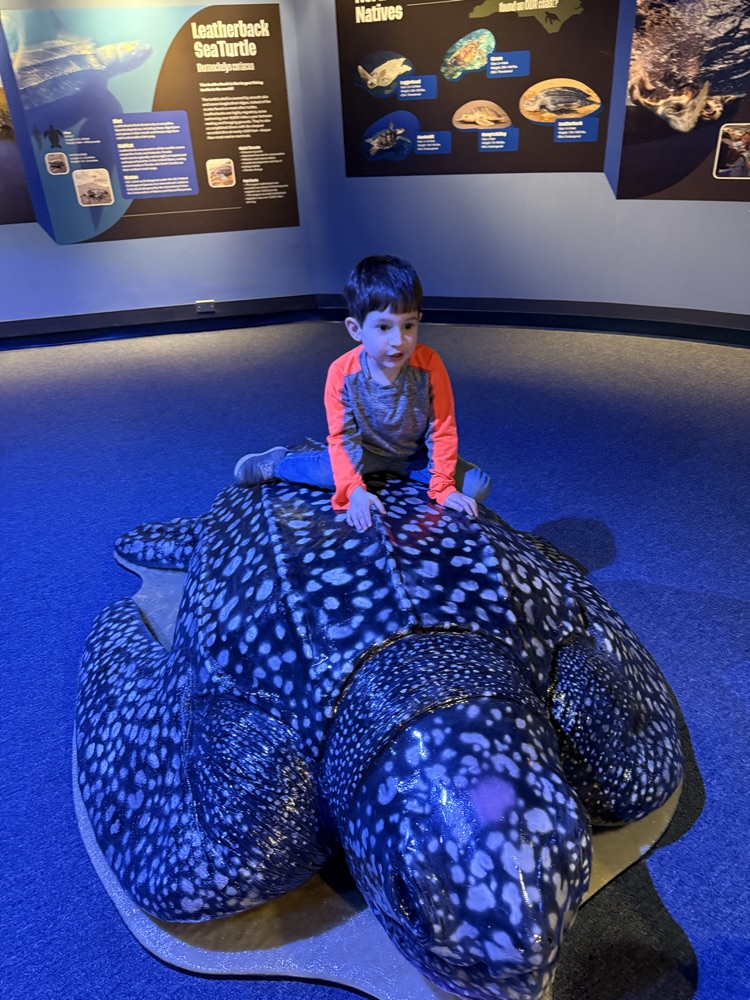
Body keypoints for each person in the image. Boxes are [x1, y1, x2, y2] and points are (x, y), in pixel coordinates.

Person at [234, 255, 491, 530]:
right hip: (365, 451)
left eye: (408, 325)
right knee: (327, 472)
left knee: (476, 485)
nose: (398, 340)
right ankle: (278, 462)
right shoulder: (341, 373)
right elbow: (343, 435)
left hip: (415, 456)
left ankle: (401, 474)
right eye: (383, 327)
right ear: (356, 329)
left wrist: (443, 486)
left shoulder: (430, 364)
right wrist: (353, 490)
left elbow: (442, 427)